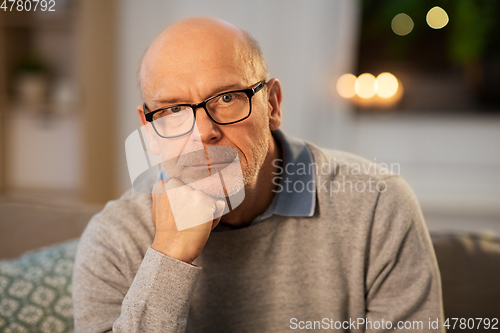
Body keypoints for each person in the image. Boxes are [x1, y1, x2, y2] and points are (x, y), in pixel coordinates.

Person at [72, 16, 445, 332]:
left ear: (272, 105)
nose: (204, 132)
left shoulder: (377, 205)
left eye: (227, 98)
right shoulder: (113, 238)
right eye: (173, 110)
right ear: (151, 130)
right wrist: (169, 255)